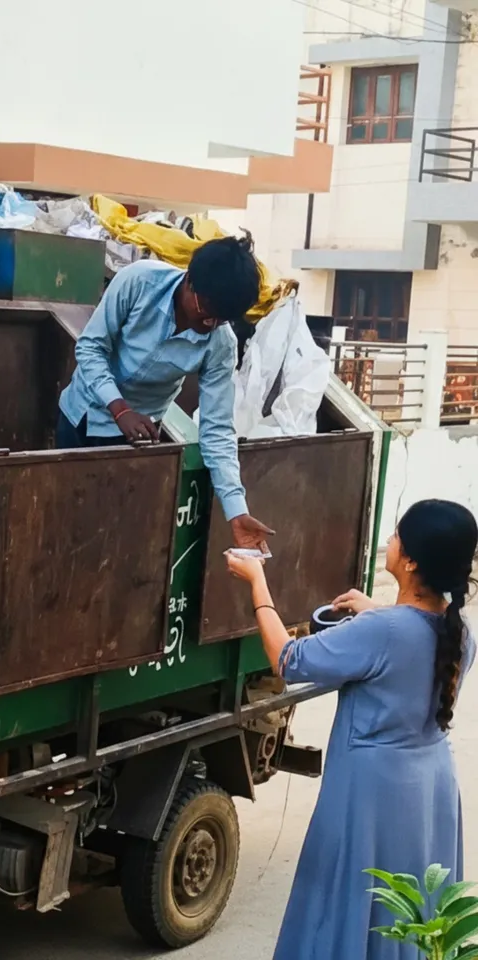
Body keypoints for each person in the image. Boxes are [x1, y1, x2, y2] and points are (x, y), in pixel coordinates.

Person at [225, 499, 477, 960]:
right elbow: (409, 635)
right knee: (410, 909)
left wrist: (257, 583)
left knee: (350, 896)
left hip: (372, 791)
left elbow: (289, 660)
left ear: (412, 560)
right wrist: (374, 609)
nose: (391, 541)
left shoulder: (382, 630)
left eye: (398, 535)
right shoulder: (458, 632)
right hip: (431, 789)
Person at [56, 235, 272, 551]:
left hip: (132, 444)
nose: (209, 324)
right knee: (63, 529)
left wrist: (236, 510)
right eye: (206, 311)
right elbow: (90, 348)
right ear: (189, 281)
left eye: (220, 320)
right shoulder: (138, 281)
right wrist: (119, 408)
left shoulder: (220, 342)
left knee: (105, 544)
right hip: (77, 415)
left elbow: (217, 430)